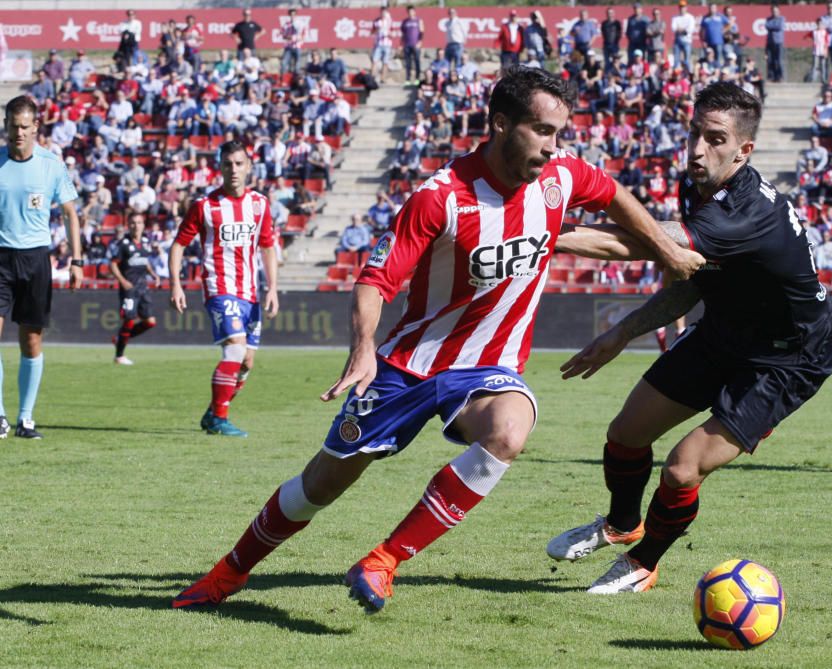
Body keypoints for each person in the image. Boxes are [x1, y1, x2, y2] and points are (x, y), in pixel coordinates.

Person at [170, 66, 703, 615]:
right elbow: (375, 280)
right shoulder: (440, 197)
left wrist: (664, 247)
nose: (553, 146)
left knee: (510, 430)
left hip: (486, 369)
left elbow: (613, 194)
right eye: (542, 131)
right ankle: (230, 571)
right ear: (499, 124)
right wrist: (361, 351)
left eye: (559, 133)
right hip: (407, 365)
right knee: (320, 485)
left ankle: (383, 561)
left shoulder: (559, 178)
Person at [545, 82, 832, 594]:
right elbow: (688, 281)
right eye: (694, 134)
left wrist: (547, 232)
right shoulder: (696, 185)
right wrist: (621, 332)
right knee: (625, 434)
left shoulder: (749, 210)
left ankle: (643, 561)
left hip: (784, 360)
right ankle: (621, 524)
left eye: (715, 138)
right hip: (722, 332)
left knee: (681, 470)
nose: (698, 148)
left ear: (744, 150)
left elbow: (646, 244)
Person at [167, 141, 279, 438]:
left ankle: (213, 411)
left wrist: (273, 289)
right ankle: (219, 418)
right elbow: (178, 244)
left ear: (249, 167)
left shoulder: (259, 204)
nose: (233, 170)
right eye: (228, 164)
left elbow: (268, 247)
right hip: (219, 287)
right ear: (220, 167)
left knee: (246, 362)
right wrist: (176, 284)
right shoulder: (205, 206)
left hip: (251, 292)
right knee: (235, 348)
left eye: (239, 163)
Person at [0, 95, 83, 439]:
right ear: (5, 126)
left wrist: (77, 261)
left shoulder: (51, 164)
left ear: (36, 127)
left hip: (35, 258)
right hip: (1, 255)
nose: (18, 133)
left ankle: (26, 418)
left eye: (24, 126)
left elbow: (70, 214)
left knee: (31, 340)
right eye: (12, 126)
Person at [110, 212, 158, 365]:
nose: (136, 225)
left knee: (150, 322)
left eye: (139, 222)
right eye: (132, 223)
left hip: (142, 286)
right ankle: (119, 356)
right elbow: (112, 264)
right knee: (129, 320)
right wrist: (123, 281)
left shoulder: (146, 241)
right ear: (128, 225)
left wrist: (153, 275)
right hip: (129, 287)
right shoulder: (123, 244)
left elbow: (145, 262)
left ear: (143, 225)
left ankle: (120, 339)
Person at [400, 6, 424, 86]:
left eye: (412, 11)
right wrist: (401, 44)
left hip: (415, 44)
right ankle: (408, 79)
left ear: (414, 12)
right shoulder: (405, 22)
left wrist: (419, 42)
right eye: (409, 11)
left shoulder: (418, 20)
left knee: (417, 62)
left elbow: (421, 32)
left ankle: (417, 79)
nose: (411, 13)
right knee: (408, 63)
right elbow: (403, 34)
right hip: (407, 45)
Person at [671, 1, 696, 73]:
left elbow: (689, 30)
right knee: (676, 60)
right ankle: (675, 76)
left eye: (684, 7)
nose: (682, 8)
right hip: (677, 41)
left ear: (686, 7)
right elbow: (674, 29)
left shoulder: (690, 17)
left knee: (687, 60)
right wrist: (683, 29)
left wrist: (680, 29)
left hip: (687, 41)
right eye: (681, 7)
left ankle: (687, 75)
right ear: (679, 8)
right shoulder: (675, 17)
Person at [280, 8, 306, 76]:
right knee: (284, 62)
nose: (292, 16)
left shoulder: (300, 23)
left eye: (294, 15)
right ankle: (284, 78)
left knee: (297, 64)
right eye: (291, 15)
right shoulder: (286, 24)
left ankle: (296, 78)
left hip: (297, 46)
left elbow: (303, 35)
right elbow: (283, 35)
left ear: (296, 15)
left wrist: (296, 37)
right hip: (288, 46)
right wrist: (288, 37)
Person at [764, 5, 785, 83]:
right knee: (770, 60)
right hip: (770, 42)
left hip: (778, 42)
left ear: (779, 11)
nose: (774, 12)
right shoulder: (768, 19)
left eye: (776, 11)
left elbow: (779, 27)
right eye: (773, 11)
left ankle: (779, 76)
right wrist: (772, 26)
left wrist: (771, 27)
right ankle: (771, 77)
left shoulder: (782, 19)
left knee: (778, 60)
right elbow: (766, 26)